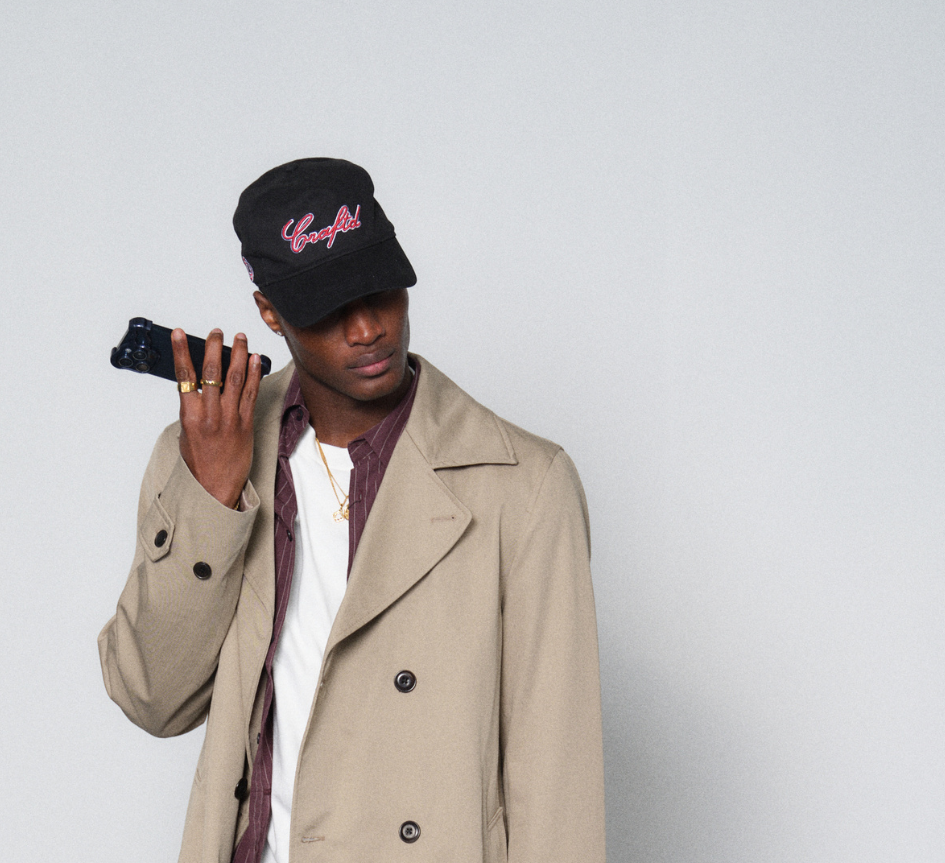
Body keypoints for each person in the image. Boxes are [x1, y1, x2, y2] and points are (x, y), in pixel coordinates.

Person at [99, 158, 604, 862]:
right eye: (329, 306)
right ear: (270, 313)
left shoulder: (523, 485)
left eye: (380, 290)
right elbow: (153, 699)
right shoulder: (205, 454)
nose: (367, 328)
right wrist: (211, 495)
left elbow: (557, 780)